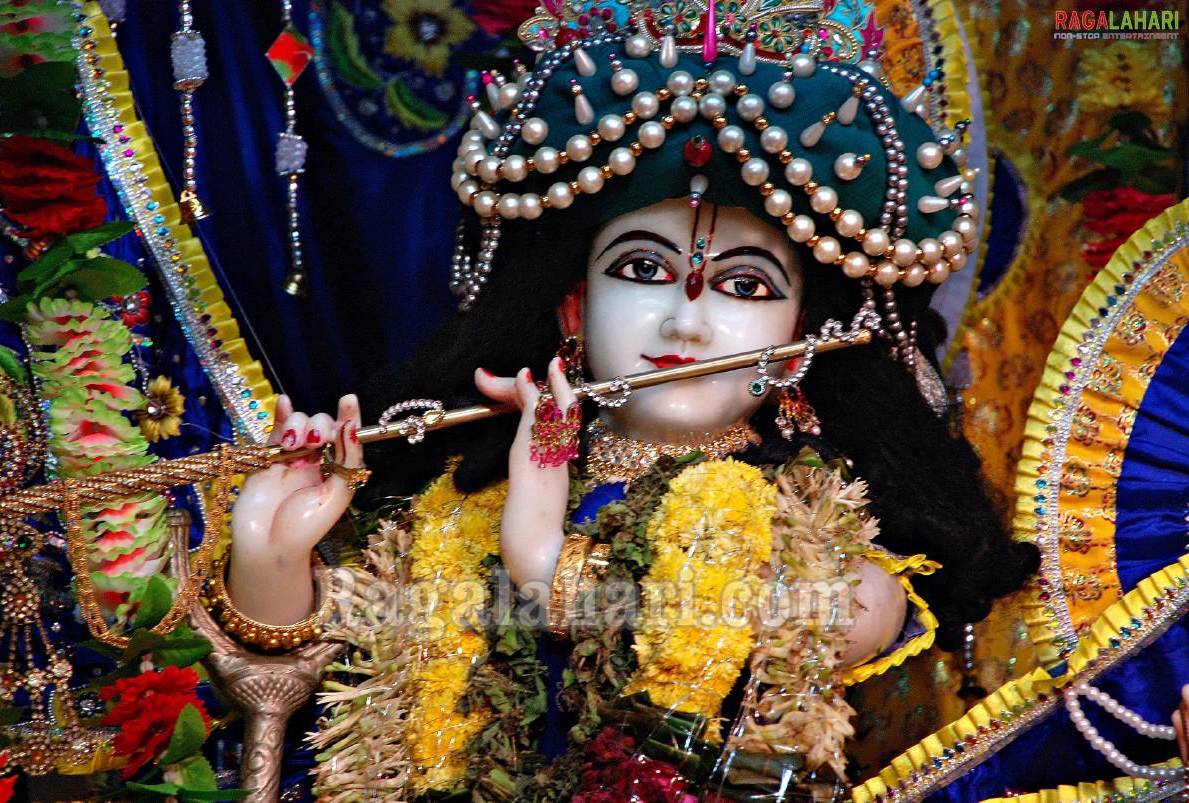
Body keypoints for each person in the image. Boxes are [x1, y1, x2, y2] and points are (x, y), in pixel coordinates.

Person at [216, 3, 1040, 799]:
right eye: (642, 270)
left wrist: (544, 561)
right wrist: (273, 553)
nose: (685, 321)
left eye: (744, 286)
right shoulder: (458, 510)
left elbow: (801, 617)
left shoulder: (820, 546)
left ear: (802, 337)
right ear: (574, 308)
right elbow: (310, 680)